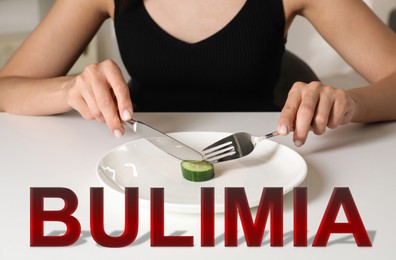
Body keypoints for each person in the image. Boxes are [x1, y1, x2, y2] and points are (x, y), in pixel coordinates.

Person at [0, 0, 395, 148]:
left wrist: (350, 102)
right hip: (141, 163)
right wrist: (70, 89)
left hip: (261, 166)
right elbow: (7, 88)